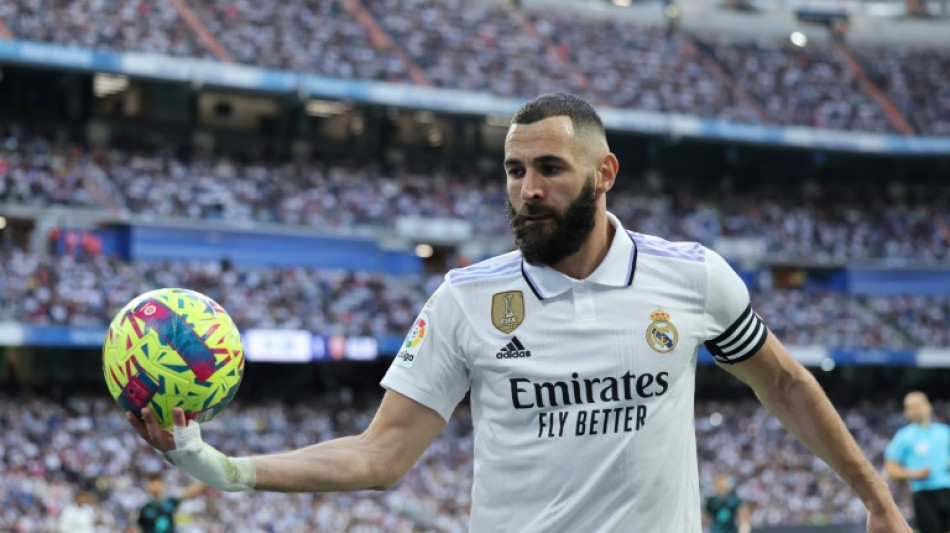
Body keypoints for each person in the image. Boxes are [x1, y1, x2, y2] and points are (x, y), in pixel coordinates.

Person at [127, 92, 911, 532]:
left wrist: (877, 501)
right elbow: (381, 454)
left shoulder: (692, 277)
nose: (527, 189)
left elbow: (783, 384)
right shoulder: (467, 298)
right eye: (513, 170)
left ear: (604, 172)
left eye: (548, 168)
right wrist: (222, 468)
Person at [884, 391, 950, 533]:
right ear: (906, 412)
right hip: (923, 494)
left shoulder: (944, 432)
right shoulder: (903, 437)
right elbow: (890, 468)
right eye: (911, 407)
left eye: (919, 405)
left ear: (928, 406)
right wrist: (914, 474)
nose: (916, 409)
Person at [136, 472, 206, 533]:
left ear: (162, 484)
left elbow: (188, 492)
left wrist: (207, 480)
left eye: (156, 481)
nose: (154, 485)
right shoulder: (143, 508)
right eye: (151, 482)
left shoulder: (169, 502)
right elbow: (135, 528)